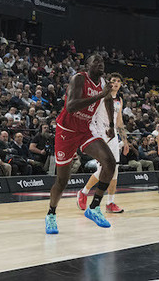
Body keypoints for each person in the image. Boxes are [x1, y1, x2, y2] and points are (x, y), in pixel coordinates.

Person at [45, 54, 116, 235]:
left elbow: (107, 100)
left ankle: (94, 207)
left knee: (109, 162)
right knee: (62, 180)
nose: (100, 64)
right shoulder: (79, 79)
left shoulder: (102, 83)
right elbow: (71, 106)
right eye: (96, 61)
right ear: (87, 65)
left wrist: (111, 125)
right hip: (66, 131)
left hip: (85, 130)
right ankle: (51, 214)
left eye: (102, 62)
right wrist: (100, 95)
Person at [77, 73, 129, 213]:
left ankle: (110, 203)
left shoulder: (119, 100)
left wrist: (125, 140)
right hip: (100, 135)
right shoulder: (101, 97)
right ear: (109, 83)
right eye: (113, 81)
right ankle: (84, 192)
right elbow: (91, 116)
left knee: (115, 170)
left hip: (113, 137)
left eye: (118, 81)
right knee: (103, 170)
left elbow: (119, 122)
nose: (116, 83)